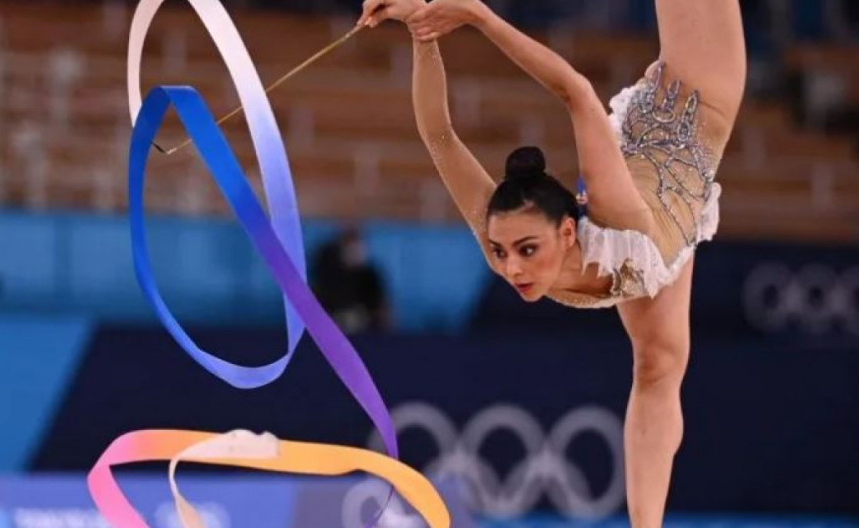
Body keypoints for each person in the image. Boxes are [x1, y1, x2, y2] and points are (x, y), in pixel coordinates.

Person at [358, 1, 746, 526]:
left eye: (526, 250)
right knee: (657, 366)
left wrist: (478, 16)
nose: (512, 268)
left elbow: (576, 92)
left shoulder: (617, 224)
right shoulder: (506, 234)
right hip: (667, 207)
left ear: (567, 232)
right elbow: (440, 136)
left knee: (660, 361)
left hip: (701, 93)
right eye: (500, 252)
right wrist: (422, 34)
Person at [311, 226, 392, 333]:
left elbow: (382, 310)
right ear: (342, 249)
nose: (356, 251)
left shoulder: (370, 275)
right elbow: (317, 309)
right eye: (351, 247)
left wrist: (362, 317)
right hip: (332, 333)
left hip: (367, 333)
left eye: (359, 247)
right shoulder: (327, 275)